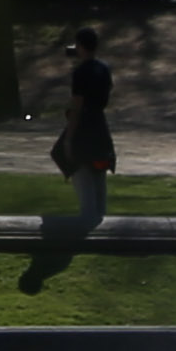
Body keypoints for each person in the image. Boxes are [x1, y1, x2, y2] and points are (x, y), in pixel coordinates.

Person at [22, 27, 116, 292]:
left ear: (81, 46)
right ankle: (96, 225)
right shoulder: (104, 69)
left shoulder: (80, 72)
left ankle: (73, 227)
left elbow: (76, 106)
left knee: (80, 176)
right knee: (98, 190)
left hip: (85, 129)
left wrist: (69, 139)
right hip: (100, 129)